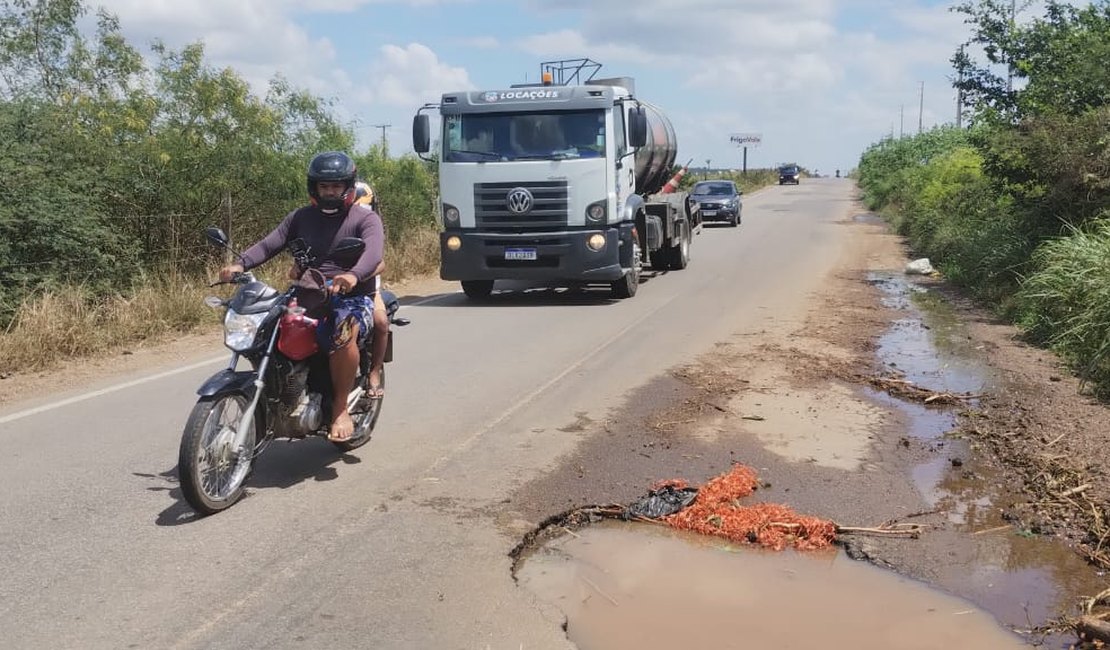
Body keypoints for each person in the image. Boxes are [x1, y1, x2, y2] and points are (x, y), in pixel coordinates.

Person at [219, 151, 384, 443]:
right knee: (268, 325)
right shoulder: (300, 217)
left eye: (335, 186)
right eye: (324, 186)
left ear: (348, 186)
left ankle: (340, 410)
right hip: (308, 292)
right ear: (314, 188)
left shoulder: (365, 219)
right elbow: (270, 243)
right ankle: (282, 393)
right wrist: (240, 263)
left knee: (345, 332)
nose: (329, 192)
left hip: (353, 297)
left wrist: (353, 275)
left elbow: (373, 254)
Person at [352, 180, 389, 404]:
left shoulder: (371, 228)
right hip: (330, 290)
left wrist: (358, 275)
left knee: (381, 322)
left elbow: (380, 263)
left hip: (367, 291)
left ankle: (374, 371)